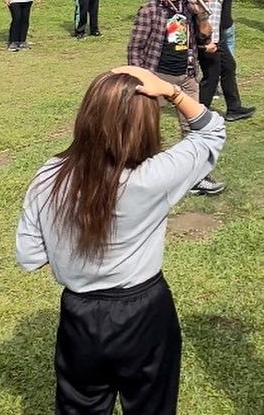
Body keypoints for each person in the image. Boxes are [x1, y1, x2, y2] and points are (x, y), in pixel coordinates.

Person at [15, 66, 225, 415]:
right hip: (144, 311)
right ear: (145, 124)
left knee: (79, 406)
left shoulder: (48, 175)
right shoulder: (153, 177)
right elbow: (211, 131)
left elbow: (30, 254)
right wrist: (171, 93)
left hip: (78, 315)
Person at [127, 0, 225, 196]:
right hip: (157, 77)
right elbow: (135, 48)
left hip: (187, 76)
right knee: (143, 128)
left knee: (193, 129)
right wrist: (141, 80)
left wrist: (201, 13)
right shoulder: (150, 9)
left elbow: (203, 37)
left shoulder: (188, 7)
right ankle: (135, 176)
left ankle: (195, 178)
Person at [191, 0, 255, 122]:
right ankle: (198, 113)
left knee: (228, 67)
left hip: (216, 36)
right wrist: (206, 41)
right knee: (211, 76)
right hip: (207, 37)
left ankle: (234, 108)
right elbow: (198, 13)